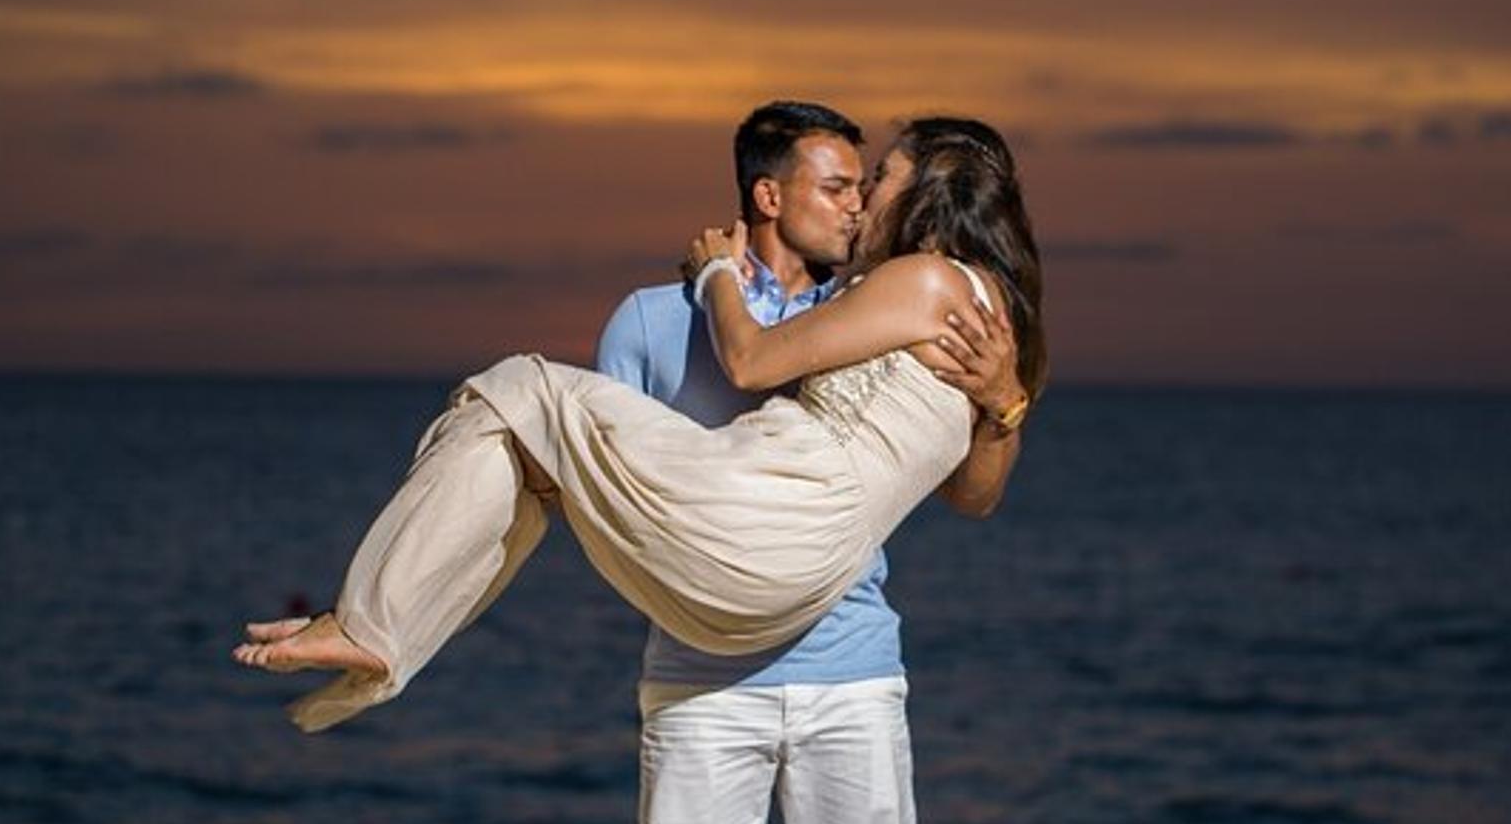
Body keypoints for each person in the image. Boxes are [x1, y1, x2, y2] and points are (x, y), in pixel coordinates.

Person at [231, 111, 1045, 761]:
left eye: (882, 176)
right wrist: (1006, 403)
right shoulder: (989, 318)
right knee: (528, 455)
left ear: (932, 191)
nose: (865, 197)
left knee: (517, 385)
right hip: (782, 587)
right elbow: (973, 496)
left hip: (771, 521)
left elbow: (751, 361)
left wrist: (717, 272)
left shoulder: (924, 278)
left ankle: (372, 626)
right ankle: (381, 634)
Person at [597, 103, 1030, 824]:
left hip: (851, 665)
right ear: (769, 195)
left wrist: (1002, 403)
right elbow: (616, 496)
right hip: (703, 673)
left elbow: (972, 494)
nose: (858, 202)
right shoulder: (649, 321)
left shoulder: (876, 305)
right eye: (839, 186)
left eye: (868, 184)